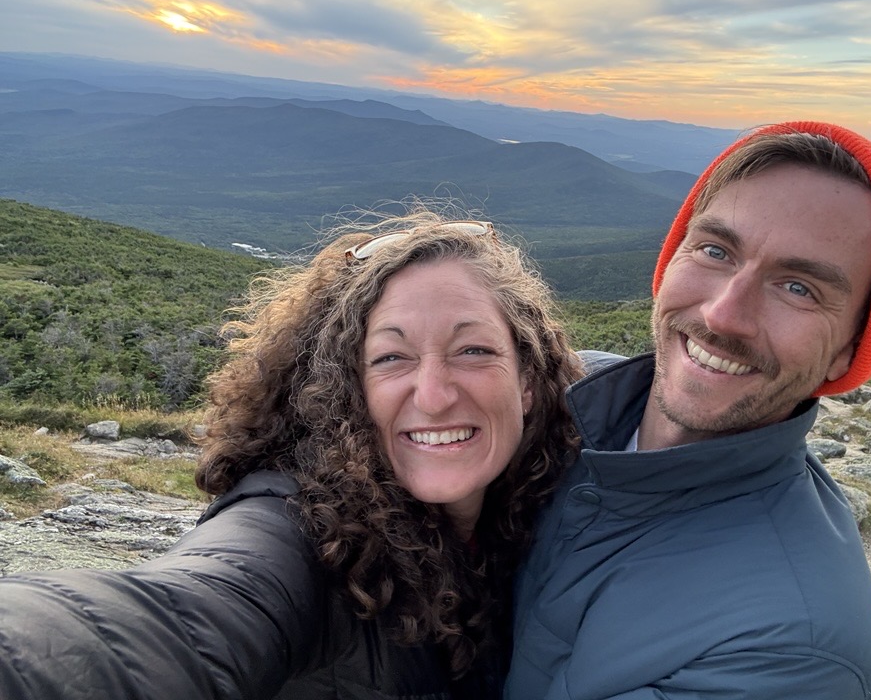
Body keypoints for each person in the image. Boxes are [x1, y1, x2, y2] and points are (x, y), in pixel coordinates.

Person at [0, 210, 582, 700]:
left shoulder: (556, 503)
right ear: (345, 390)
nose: (433, 395)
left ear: (528, 382)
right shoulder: (299, 531)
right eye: (390, 358)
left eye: (473, 349)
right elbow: (180, 618)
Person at [505, 121, 871, 700]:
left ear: (848, 353)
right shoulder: (560, 402)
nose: (724, 315)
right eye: (714, 250)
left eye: (798, 288)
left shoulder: (793, 657)